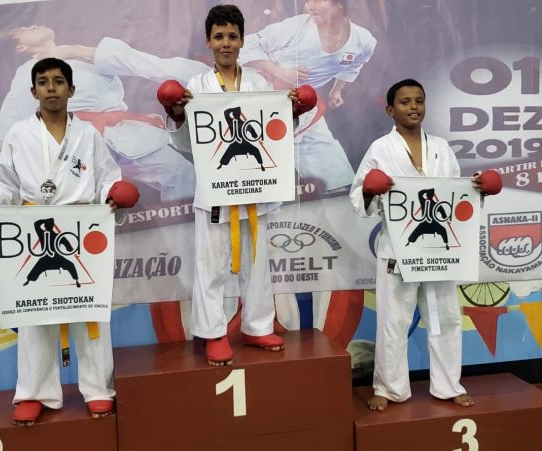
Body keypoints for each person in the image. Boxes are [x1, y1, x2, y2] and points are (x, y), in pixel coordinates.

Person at [0, 58, 138, 425]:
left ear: (71, 89)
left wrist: (113, 192)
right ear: (33, 91)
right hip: (34, 229)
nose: (51, 88)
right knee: (34, 313)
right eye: (43, 82)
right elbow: (8, 185)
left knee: (89, 309)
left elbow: (106, 177)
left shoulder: (87, 134)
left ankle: (98, 389)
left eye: (59, 81)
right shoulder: (18, 134)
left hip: (78, 228)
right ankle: (34, 392)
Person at [157, 5, 315, 366]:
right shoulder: (197, 87)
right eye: (219, 37)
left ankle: (258, 326)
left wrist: (290, 112)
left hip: (256, 188)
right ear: (208, 42)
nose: (225, 43)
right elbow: (188, 145)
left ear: (242, 40)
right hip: (217, 191)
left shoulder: (260, 85)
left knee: (257, 263)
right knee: (211, 266)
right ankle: (213, 332)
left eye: (232, 36)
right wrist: (177, 114)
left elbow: (274, 135)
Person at [349, 79, 502, 411]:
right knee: (393, 320)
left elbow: (455, 196)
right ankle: (388, 388)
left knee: (445, 317)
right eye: (405, 102)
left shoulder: (441, 148)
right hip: (398, 248)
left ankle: (448, 385)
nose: (414, 107)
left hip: (439, 251)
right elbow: (358, 199)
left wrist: (478, 188)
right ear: (390, 110)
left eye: (419, 100)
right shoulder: (380, 149)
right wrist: (369, 190)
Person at [0, 25, 195, 202]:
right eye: (25, 29)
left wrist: (78, 51)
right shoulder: (29, 70)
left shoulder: (86, 56)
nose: (33, 26)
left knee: (181, 174)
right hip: (74, 140)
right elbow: (15, 107)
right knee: (84, 198)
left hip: (123, 133)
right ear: (21, 46)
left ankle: (184, 229)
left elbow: (135, 63)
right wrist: (1, 146)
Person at [239, 0, 377, 192]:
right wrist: (279, 71)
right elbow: (246, 45)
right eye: (307, 0)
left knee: (336, 178)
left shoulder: (364, 40)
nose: (308, 6)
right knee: (251, 166)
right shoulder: (297, 27)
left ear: (339, 4)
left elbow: (353, 65)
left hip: (303, 104)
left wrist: (336, 90)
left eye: (317, 0)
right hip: (263, 96)